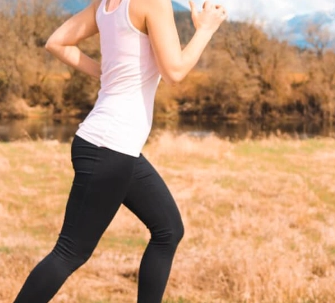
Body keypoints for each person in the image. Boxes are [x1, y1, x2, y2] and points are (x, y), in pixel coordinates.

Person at [13, 0, 227, 302]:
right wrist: (206, 29)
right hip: (109, 148)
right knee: (69, 252)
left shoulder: (106, 4)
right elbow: (175, 72)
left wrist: (107, 73)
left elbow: (56, 42)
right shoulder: (153, 3)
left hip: (111, 145)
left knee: (168, 230)